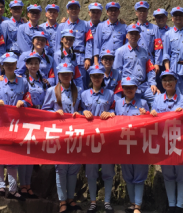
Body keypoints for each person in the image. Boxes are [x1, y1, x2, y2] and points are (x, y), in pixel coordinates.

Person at [42, 63, 82, 213]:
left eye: (68, 73)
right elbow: (44, 110)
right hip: (59, 134)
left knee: (74, 167)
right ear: (58, 75)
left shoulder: (78, 90)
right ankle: (62, 201)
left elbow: (83, 109)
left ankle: (71, 198)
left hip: (75, 133)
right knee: (61, 168)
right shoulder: (52, 91)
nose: (66, 76)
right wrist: (54, 113)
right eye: (63, 73)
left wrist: (80, 113)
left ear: (72, 75)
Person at [150, 70, 183, 213]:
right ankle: (172, 205)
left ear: (176, 81)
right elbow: (152, 119)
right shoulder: (157, 99)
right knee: (168, 174)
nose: (167, 83)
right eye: (165, 80)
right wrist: (152, 114)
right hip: (164, 142)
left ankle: (180, 206)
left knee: (182, 173)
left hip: (181, 142)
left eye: (170, 80)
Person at [0, 53, 29, 201]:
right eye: (7, 64)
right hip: (0, 123)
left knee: (13, 157)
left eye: (12, 63)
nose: (10, 66)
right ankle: (1, 187)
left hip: (17, 124)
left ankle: (13, 189)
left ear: (16, 65)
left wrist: (24, 103)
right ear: (3, 66)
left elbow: (29, 98)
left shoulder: (23, 81)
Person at [81, 65, 116, 214]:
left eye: (99, 76)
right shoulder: (84, 94)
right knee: (91, 170)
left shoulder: (110, 93)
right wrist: (83, 112)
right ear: (90, 77)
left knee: (108, 169)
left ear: (103, 77)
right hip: (90, 137)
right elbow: (78, 111)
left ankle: (107, 201)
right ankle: (93, 202)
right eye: (94, 76)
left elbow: (114, 110)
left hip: (106, 137)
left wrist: (111, 113)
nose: (97, 78)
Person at [113, 76, 150, 214]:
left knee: (139, 174)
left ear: (136, 89)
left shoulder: (143, 103)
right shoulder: (118, 103)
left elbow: (150, 123)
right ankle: (132, 202)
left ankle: (138, 206)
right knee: (127, 174)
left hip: (139, 144)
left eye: (132, 87)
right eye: (126, 87)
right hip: (124, 144)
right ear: (122, 89)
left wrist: (145, 115)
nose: (129, 90)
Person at [18, 52, 47, 199]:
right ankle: (22, 185)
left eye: (36, 63)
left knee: (31, 152)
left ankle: (28, 185)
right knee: (24, 151)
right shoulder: (22, 80)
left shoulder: (43, 81)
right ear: (26, 65)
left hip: (39, 118)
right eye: (31, 63)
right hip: (26, 117)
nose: (34, 66)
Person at [114, 24, 159, 104]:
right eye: (131, 33)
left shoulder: (144, 51)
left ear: (139, 36)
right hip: (129, 88)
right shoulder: (120, 51)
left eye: (136, 34)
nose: (133, 36)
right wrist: (121, 89)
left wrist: (152, 84)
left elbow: (150, 69)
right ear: (127, 36)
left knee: (158, 99)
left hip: (144, 86)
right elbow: (117, 72)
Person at [54, 0, 90, 87]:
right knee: (64, 81)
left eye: (76, 8)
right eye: (71, 8)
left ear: (79, 10)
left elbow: (89, 42)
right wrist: (59, 57)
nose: (74, 10)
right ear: (67, 10)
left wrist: (88, 58)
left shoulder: (85, 24)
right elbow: (58, 44)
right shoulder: (61, 26)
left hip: (80, 58)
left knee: (81, 82)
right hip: (65, 57)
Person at [153, 8, 170, 92]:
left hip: (169, 63)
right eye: (158, 17)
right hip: (155, 64)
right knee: (157, 87)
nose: (160, 19)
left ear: (166, 17)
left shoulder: (172, 31)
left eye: (162, 17)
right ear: (155, 19)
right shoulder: (152, 30)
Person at [84, 2, 103, 71]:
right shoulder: (84, 25)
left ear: (101, 13)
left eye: (98, 12)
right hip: (86, 58)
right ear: (89, 13)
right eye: (93, 12)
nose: (95, 14)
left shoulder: (104, 26)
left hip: (100, 58)